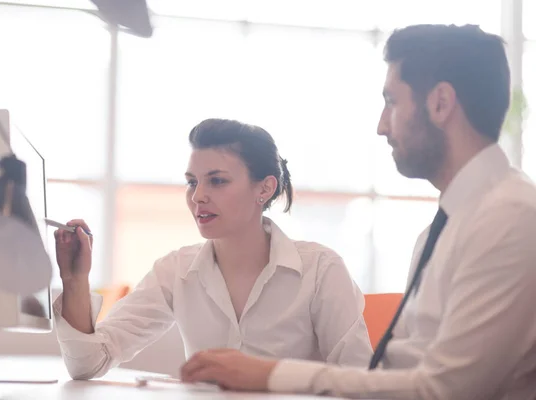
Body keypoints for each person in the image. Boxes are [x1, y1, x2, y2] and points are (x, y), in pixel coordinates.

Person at [180, 24, 536, 400]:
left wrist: (270, 374)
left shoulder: (510, 219)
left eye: (392, 102)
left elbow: (445, 389)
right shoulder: (444, 227)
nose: (381, 126)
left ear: (440, 104)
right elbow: (407, 372)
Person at [52, 118, 373, 380]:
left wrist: (268, 376)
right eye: (192, 182)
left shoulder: (320, 270)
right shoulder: (175, 271)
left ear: (265, 187)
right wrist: (75, 280)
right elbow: (88, 364)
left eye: (217, 181)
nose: (198, 196)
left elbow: (362, 383)